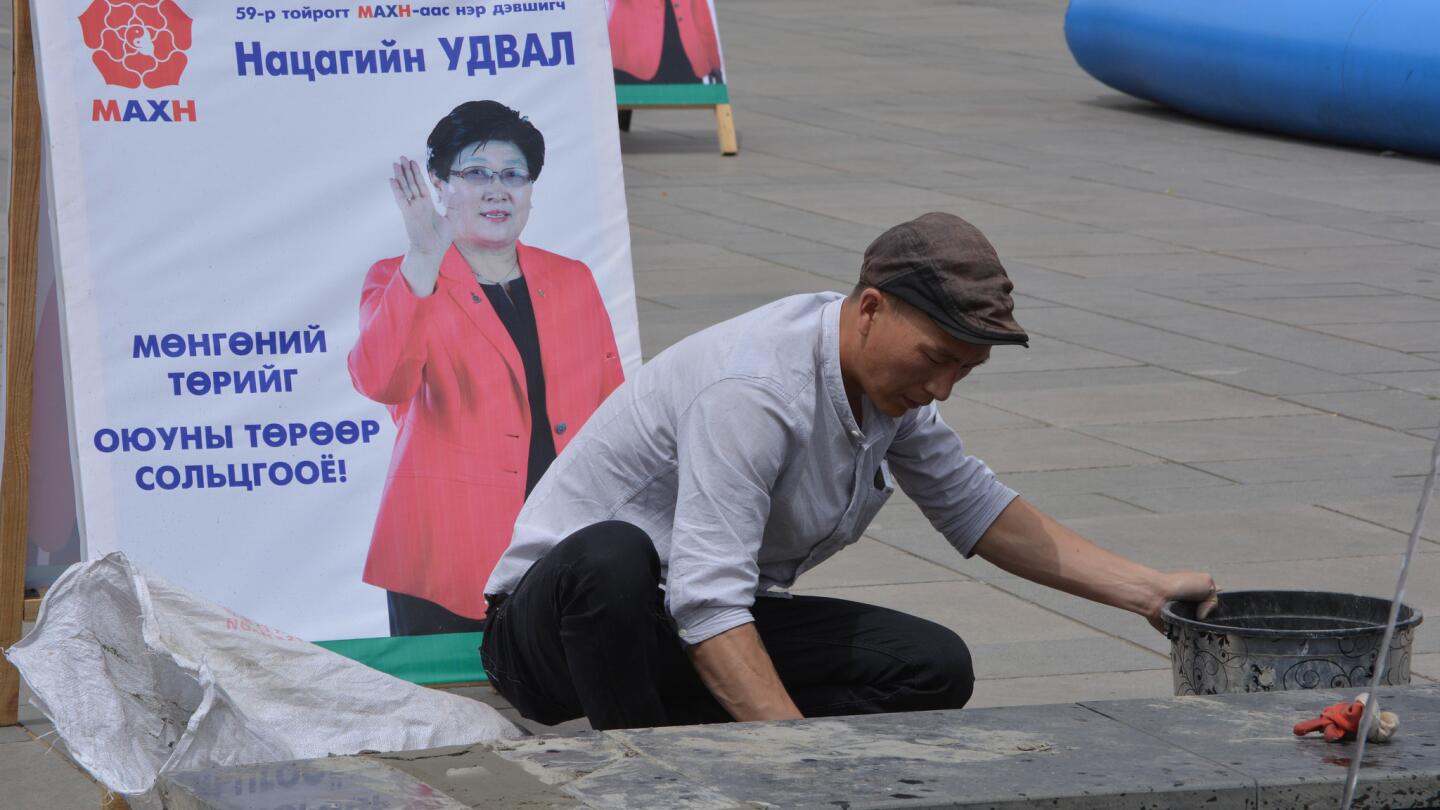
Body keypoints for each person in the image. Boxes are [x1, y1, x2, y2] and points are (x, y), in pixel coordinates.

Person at [479, 212, 1219, 730]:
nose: (942, 390)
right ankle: (654, 776)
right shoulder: (755, 390)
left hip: (679, 622)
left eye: (967, 370)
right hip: (556, 634)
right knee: (614, 557)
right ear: (870, 309)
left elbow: (976, 507)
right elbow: (707, 602)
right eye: (935, 360)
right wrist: (804, 763)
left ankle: (703, 732)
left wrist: (1147, 592)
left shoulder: (886, 390)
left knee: (932, 666)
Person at [349, 101, 625, 637]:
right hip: (443, 547)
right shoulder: (399, 277)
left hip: (564, 537)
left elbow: (612, 407)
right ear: (437, 184)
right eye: (476, 173)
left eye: (513, 175)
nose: (497, 190)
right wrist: (425, 257)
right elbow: (382, 381)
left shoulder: (572, 279)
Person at [608, 0, 724, 84]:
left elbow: (701, 16)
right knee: (620, 112)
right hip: (634, 63)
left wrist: (713, 62)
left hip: (686, 62)